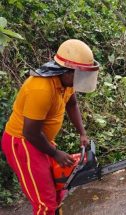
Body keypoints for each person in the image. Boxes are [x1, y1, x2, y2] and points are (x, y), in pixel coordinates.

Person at [0, 39, 100, 215]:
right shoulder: (41, 88)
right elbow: (30, 132)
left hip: (41, 141)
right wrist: (55, 153)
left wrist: (82, 133)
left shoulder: (66, 82)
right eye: (80, 74)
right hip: (23, 144)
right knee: (45, 203)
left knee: (58, 190)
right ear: (67, 71)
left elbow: (72, 104)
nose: (82, 79)